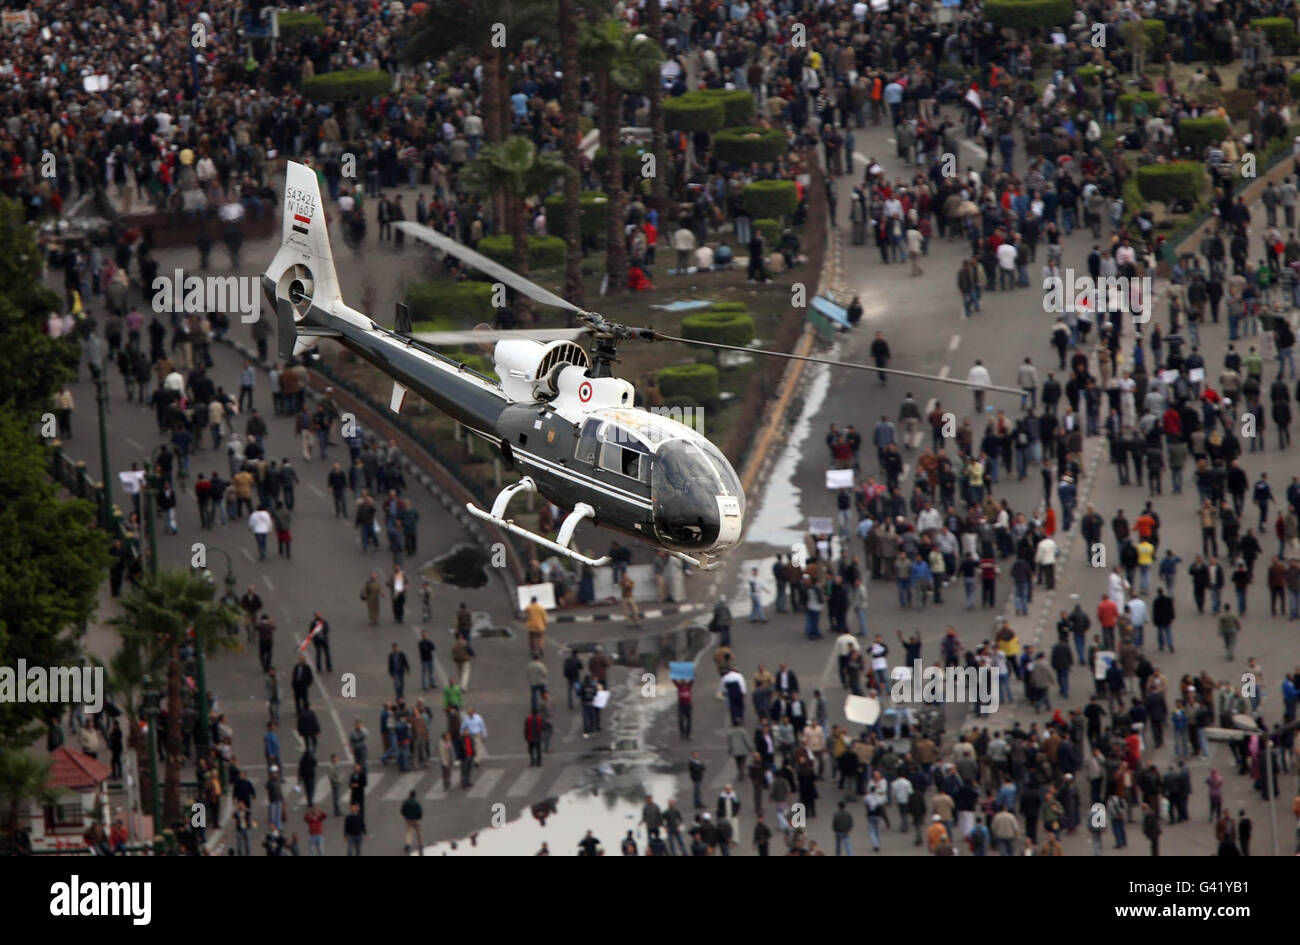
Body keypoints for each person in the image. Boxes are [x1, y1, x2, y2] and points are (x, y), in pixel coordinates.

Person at [401, 790, 424, 855]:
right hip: (416, 820)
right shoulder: (417, 803)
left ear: (409, 795)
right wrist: (419, 817)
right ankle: (420, 844)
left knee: (409, 832)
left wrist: (405, 816)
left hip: (408, 819)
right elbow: (420, 812)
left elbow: (402, 810)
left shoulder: (406, 802)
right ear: (415, 796)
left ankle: (408, 844)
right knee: (419, 832)